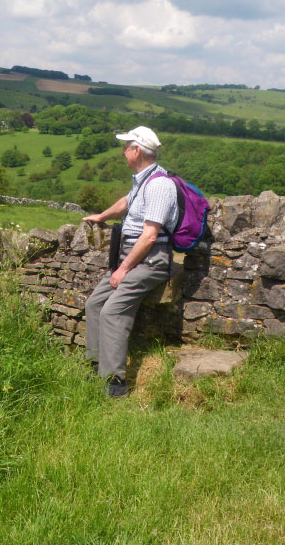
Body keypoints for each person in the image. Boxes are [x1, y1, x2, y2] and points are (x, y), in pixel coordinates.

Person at [82, 126, 178, 397]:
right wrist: (102, 216)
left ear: (136, 151)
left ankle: (114, 384)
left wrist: (123, 270)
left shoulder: (160, 184)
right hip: (131, 256)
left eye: (125, 147)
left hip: (150, 261)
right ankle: (96, 366)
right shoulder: (142, 180)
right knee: (94, 304)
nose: (122, 152)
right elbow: (128, 201)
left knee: (113, 312)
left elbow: (149, 237)